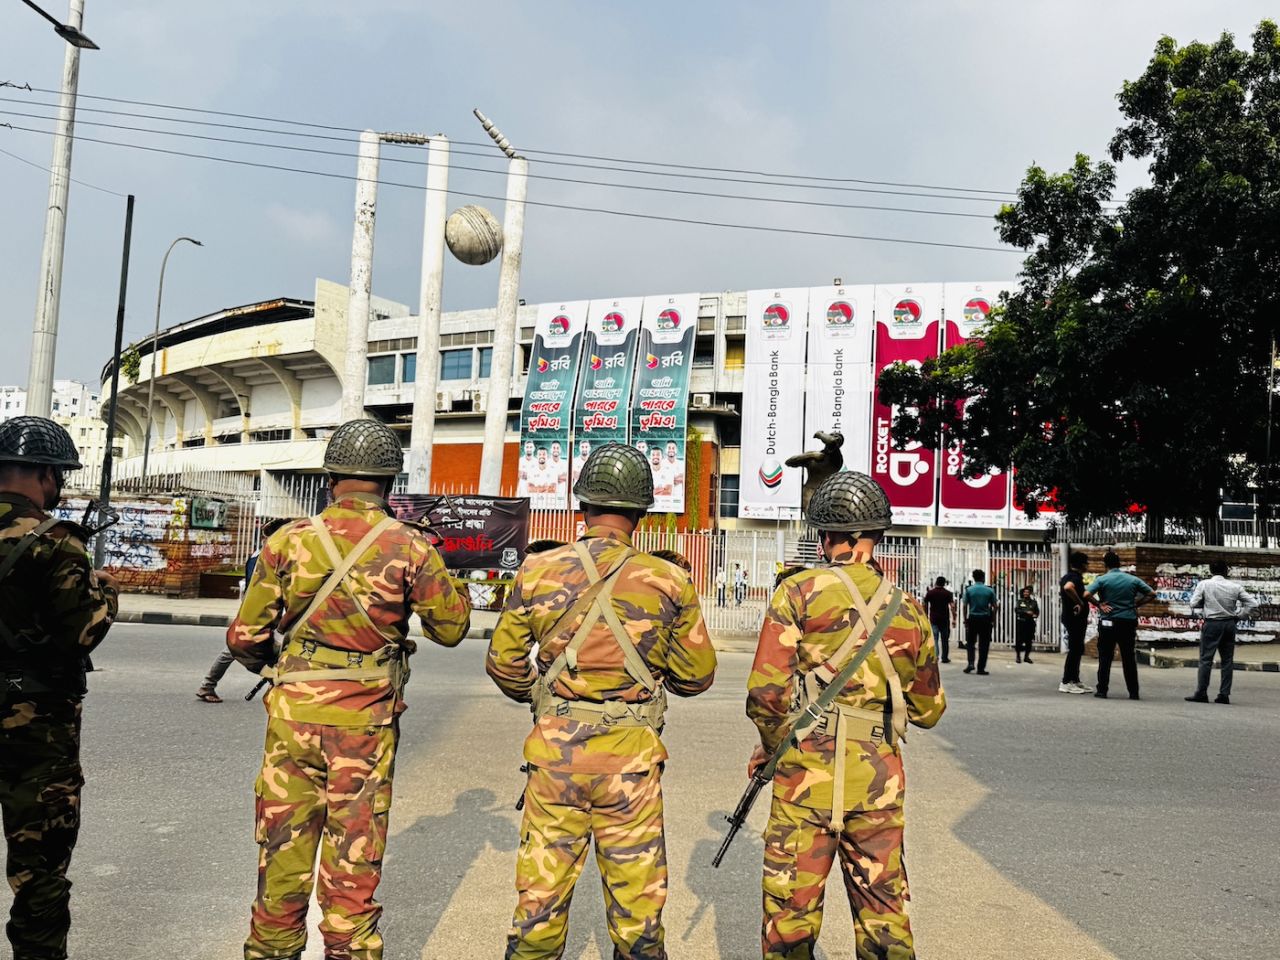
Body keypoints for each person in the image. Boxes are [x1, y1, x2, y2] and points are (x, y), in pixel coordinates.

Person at [227, 418, 471, 960]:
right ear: (389, 483)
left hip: (292, 716)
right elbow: (451, 631)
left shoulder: (288, 541)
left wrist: (286, 668)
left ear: (330, 477)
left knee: (282, 855)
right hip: (365, 723)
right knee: (353, 859)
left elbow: (244, 637)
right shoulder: (410, 547)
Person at [486, 442, 716, 959]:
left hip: (554, 759)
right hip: (631, 764)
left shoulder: (538, 570)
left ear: (580, 506)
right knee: (638, 913)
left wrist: (545, 700)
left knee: (539, 905)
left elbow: (503, 662)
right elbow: (697, 676)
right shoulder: (669, 579)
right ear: (641, 513)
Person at [747, 470, 945, 959]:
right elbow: (929, 711)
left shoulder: (797, 593)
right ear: (877, 537)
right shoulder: (909, 610)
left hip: (803, 775)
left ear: (827, 536)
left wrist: (774, 750)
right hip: (878, 779)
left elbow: (766, 695)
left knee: (790, 913)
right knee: (884, 911)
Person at [0, 416, 119, 960]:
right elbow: (82, 633)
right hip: (36, 729)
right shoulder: (57, 544)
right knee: (40, 865)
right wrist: (106, 594)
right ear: (47, 475)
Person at [196, 517, 289, 703]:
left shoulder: (260, 553)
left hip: (258, 607)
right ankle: (208, 684)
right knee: (237, 648)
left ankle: (209, 684)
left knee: (247, 647)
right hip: (260, 609)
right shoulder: (268, 555)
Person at [1083, 550, 1155, 700]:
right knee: (1128, 657)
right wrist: (1137, 604)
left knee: (1105, 657)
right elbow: (1152, 594)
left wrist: (1099, 605)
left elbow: (1086, 594)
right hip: (1128, 621)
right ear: (1119, 563)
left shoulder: (1102, 579)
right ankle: (1133, 692)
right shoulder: (1132, 580)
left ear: (1105, 564)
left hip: (1108, 622)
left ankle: (1102, 690)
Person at [1185, 558, 1258, 705]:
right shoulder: (1234, 587)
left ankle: (1201, 692)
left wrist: (1205, 602)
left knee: (1206, 659)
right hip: (1229, 624)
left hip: (1212, 624)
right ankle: (1224, 694)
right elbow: (1253, 604)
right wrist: (1240, 616)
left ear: (1211, 570)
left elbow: (1193, 603)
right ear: (1226, 571)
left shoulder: (1204, 584)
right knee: (1227, 661)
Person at [1058, 551, 1093, 694]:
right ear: (1082, 564)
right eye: (1086, 562)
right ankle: (1066, 681)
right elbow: (1068, 588)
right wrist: (1080, 602)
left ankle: (1075, 680)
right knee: (1074, 650)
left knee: (1077, 649)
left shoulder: (1071, 576)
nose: (1088, 565)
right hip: (1074, 619)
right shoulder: (1073, 577)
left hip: (1074, 618)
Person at [961, 569, 997, 675]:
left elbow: (964, 606)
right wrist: (993, 619)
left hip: (973, 618)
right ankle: (981, 667)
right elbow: (995, 606)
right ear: (983, 578)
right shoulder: (989, 590)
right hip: (985, 619)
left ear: (974, 578)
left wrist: (965, 619)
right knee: (984, 644)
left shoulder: (969, 590)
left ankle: (971, 663)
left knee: (971, 642)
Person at [922, 575, 955, 663]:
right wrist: (954, 618)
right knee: (945, 639)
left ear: (936, 582)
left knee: (935, 639)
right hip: (944, 619)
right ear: (944, 583)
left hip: (934, 619)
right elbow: (952, 606)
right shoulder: (948, 593)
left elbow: (924, 603)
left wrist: (925, 614)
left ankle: (936, 657)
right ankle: (944, 657)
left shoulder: (930, 593)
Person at [1014, 585, 1039, 664]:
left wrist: (1035, 615)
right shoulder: (1020, 601)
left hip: (1030, 623)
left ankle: (1026, 657)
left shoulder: (1034, 602)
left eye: (1027, 592)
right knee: (1019, 641)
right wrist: (1026, 612)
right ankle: (1018, 656)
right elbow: (1017, 610)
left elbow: (1037, 612)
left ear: (1030, 593)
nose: (1026, 593)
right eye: (1025, 592)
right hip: (1021, 622)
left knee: (1029, 641)